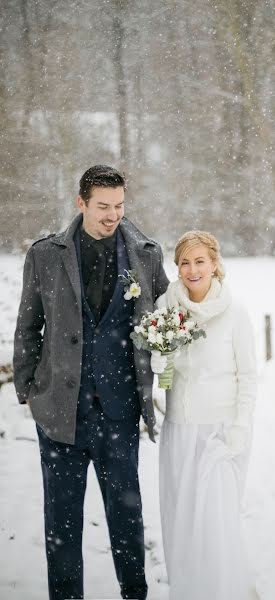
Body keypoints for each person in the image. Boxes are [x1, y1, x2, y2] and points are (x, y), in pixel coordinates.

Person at [13, 165, 169, 600]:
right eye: (103, 207)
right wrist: (27, 389)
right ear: (80, 203)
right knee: (61, 522)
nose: (112, 215)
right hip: (60, 414)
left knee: (126, 518)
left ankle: (134, 594)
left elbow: (167, 318)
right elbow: (29, 325)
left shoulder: (146, 254)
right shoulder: (46, 254)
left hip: (120, 413)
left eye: (119, 206)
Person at [153, 230, 258, 600]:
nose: (192, 270)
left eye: (200, 261)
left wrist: (240, 428)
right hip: (180, 432)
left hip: (221, 435)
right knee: (181, 526)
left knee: (214, 527)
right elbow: (164, 372)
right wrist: (159, 360)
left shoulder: (235, 312)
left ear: (215, 264)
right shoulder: (166, 309)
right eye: (184, 262)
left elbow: (248, 376)